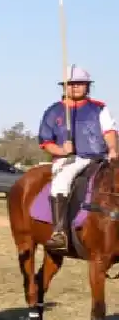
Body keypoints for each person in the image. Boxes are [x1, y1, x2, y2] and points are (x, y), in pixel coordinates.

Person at [38, 65, 118, 251]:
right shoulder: (53, 111)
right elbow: (45, 141)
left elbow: (109, 131)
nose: (75, 87)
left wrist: (113, 148)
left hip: (100, 157)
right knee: (61, 181)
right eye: (71, 84)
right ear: (64, 87)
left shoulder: (99, 108)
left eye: (80, 84)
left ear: (87, 86)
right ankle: (59, 232)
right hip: (71, 160)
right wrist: (61, 149)